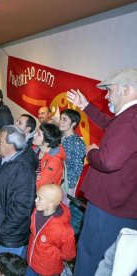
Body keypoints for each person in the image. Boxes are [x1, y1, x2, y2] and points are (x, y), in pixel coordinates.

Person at [66, 68, 137, 275]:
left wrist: (92, 152)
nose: (106, 96)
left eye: (110, 90)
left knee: (91, 255)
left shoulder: (131, 120)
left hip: (110, 208)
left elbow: (108, 161)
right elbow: (109, 123)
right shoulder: (128, 117)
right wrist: (85, 106)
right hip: (116, 205)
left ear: (126, 89)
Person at [0, 125, 37, 274]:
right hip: (2, 227)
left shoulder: (22, 170)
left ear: (10, 146)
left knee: (5, 270)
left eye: (1, 141)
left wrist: (3, 229)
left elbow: (22, 208)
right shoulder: (6, 159)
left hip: (10, 235)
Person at [25, 184, 76, 275]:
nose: (35, 200)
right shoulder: (36, 211)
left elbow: (68, 255)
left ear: (51, 203)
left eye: (40, 198)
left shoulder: (63, 230)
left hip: (48, 271)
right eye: (37, 197)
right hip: (31, 262)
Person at [58, 109, 86, 196]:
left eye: (65, 119)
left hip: (65, 185)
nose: (61, 122)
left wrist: (68, 189)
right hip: (55, 178)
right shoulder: (60, 138)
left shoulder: (77, 143)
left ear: (73, 123)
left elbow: (77, 168)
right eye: (60, 118)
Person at [32, 123, 66, 189]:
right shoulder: (34, 149)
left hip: (42, 195)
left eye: (38, 134)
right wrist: (32, 176)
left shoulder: (55, 160)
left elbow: (41, 184)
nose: (34, 135)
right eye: (36, 132)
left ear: (47, 141)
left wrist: (28, 177)